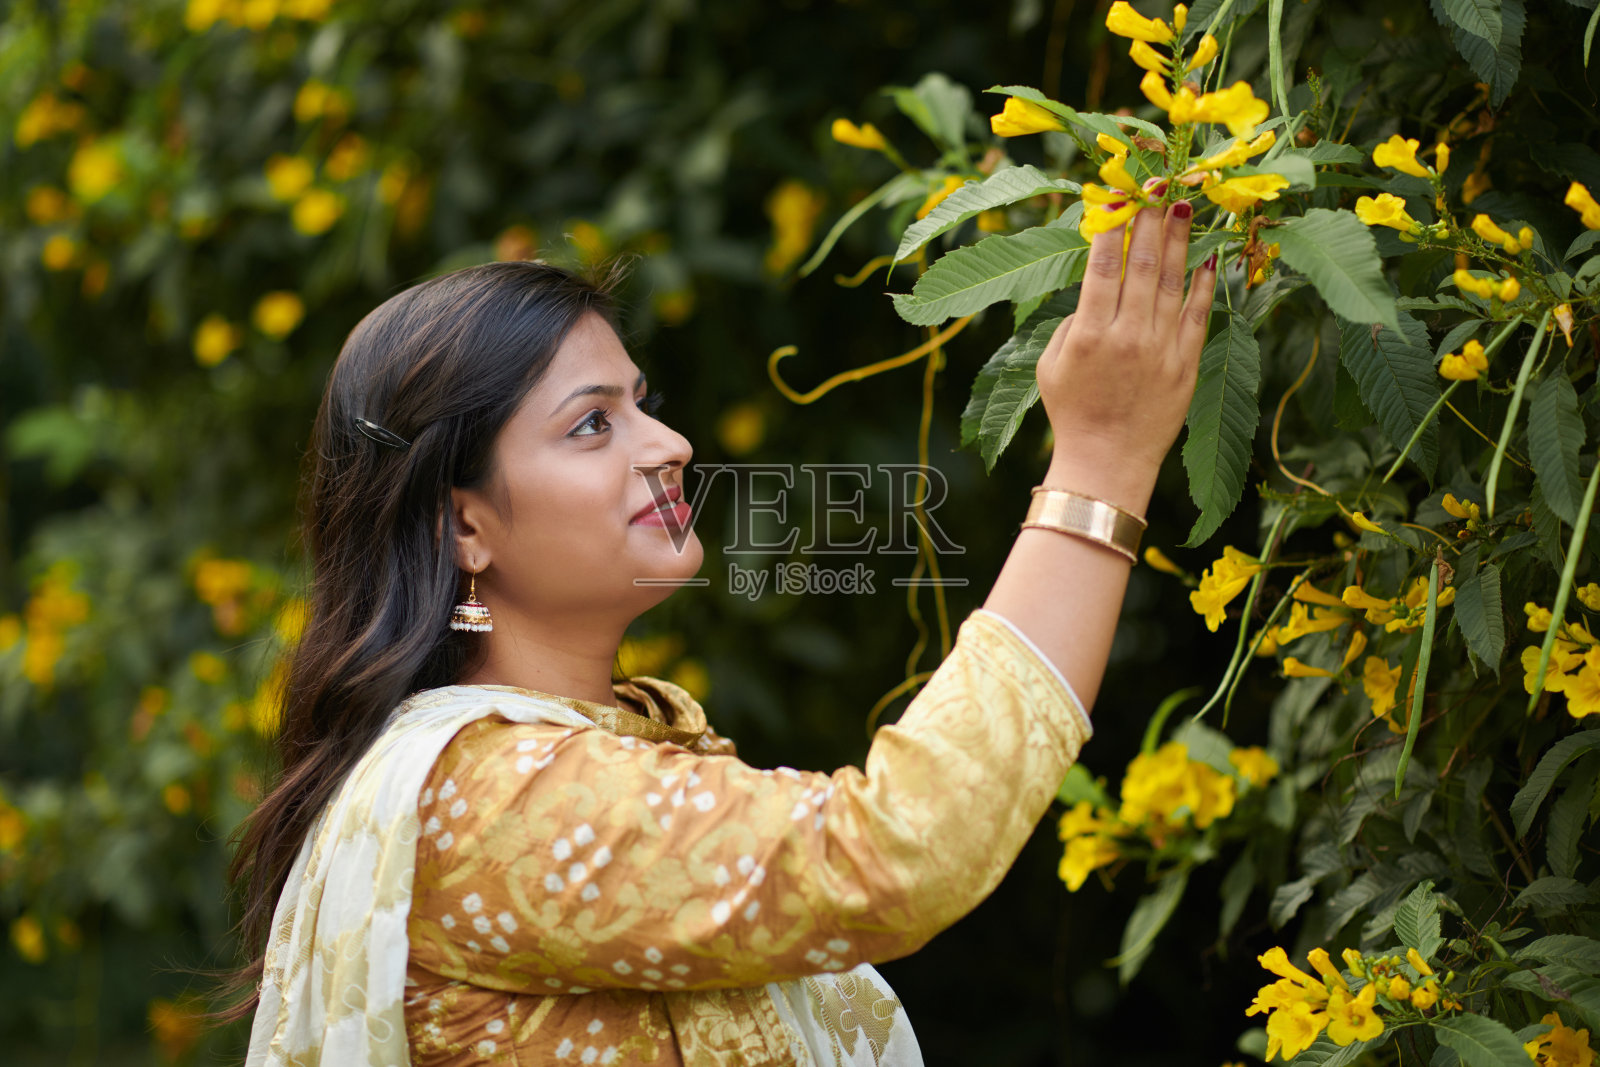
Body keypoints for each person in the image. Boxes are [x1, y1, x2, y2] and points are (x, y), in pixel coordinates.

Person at [225, 202, 1216, 1066]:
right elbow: (891, 854)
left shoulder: (600, 752)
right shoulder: (489, 799)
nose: (670, 444)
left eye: (639, 404)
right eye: (590, 425)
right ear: (464, 525)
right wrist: (1098, 464)